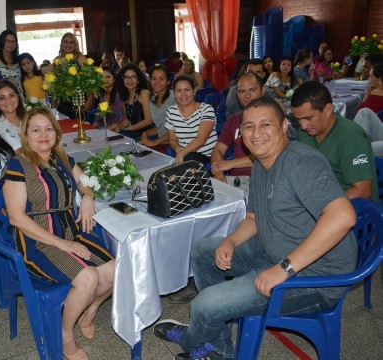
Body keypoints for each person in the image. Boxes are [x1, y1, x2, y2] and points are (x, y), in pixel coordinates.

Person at [153, 97, 357, 360]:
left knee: (204, 305)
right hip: (275, 250)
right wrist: (230, 241)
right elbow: (253, 218)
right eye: (249, 126)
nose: (256, 133)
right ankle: (219, 347)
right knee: (205, 250)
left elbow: (343, 216)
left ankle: (194, 336)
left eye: (265, 124)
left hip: (314, 277)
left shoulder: (300, 162)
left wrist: (284, 269)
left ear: (284, 126)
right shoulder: (262, 164)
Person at [0, 107, 114, 360]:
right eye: (36, 130)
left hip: (69, 232)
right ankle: (65, 334)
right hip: (37, 241)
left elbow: (86, 182)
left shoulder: (62, 159)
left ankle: (91, 310)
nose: (43, 135)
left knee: (114, 270)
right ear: (25, 135)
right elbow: (16, 217)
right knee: (88, 279)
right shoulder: (18, 166)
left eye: (48, 128)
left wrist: (87, 195)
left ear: (57, 132)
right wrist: (62, 244)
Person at [292, 81, 379, 203]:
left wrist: (318, 203)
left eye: (308, 118)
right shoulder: (305, 133)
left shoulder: (351, 138)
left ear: (327, 109)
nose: (303, 126)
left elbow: (363, 192)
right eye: (298, 120)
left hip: (355, 210)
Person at [211, 72, 266, 183]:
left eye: (252, 90)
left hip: (265, 180)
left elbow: (269, 156)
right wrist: (219, 173)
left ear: (262, 91)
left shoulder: (273, 119)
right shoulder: (234, 120)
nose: (247, 96)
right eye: (242, 91)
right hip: (237, 181)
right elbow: (218, 150)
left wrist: (229, 164)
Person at [165, 75, 217, 165]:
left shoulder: (206, 109)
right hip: (185, 155)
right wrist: (178, 150)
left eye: (187, 90)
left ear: (194, 91)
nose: (183, 94)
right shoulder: (171, 111)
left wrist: (182, 153)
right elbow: (172, 139)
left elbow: (201, 139)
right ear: (174, 93)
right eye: (178, 90)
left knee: (189, 160)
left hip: (207, 156)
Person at [51, 33, 90, 118]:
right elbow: (54, 84)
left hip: (79, 99)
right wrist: (54, 102)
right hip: (62, 101)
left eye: (71, 42)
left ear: (75, 44)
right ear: (61, 44)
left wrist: (89, 100)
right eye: (65, 42)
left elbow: (89, 81)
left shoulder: (81, 58)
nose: (68, 45)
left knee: (80, 126)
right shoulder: (57, 60)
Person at [139, 64, 176, 148]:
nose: (157, 82)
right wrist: (146, 133)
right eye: (154, 78)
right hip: (161, 142)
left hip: (174, 144)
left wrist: (154, 143)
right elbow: (160, 127)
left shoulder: (174, 98)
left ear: (168, 81)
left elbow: (176, 129)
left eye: (161, 79)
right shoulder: (152, 99)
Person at [115, 63, 153, 139]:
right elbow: (127, 120)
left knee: (122, 136)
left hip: (146, 133)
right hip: (132, 132)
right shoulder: (124, 96)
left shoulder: (144, 93)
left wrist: (129, 128)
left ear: (138, 79)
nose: (129, 80)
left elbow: (148, 121)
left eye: (133, 77)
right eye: (126, 77)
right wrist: (118, 128)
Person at [0, 80, 24, 153]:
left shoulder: (30, 120)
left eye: (11, 95)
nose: (8, 100)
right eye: (2, 98)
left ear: (18, 97)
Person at [0, 30, 23, 95]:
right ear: (2, 42)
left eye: (13, 41)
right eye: (7, 41)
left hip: (19, 97)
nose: (11, 44)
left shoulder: (17, 59)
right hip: (3, 97)